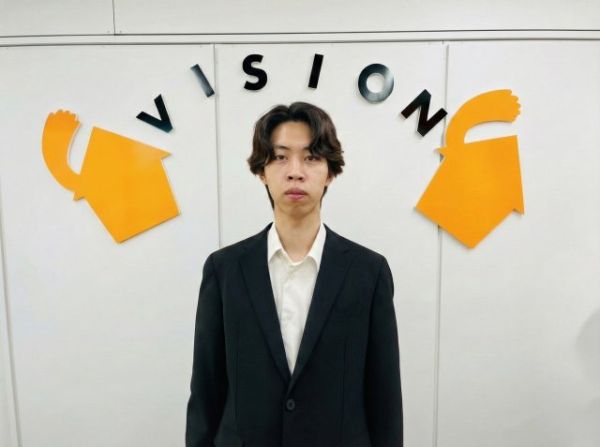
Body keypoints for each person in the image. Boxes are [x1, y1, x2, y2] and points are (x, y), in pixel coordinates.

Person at [185, 101, 403, 447]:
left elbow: (385, 398)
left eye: (311, 157)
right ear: (262, 170)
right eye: (280, 157)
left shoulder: (368, 272)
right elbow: (206, 391)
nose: (295, 172)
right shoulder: (224, 269)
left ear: (330, 172)